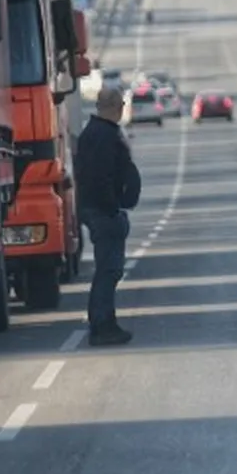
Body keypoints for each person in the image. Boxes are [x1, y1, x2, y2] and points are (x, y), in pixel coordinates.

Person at [74, 86, 142, 346]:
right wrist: (113, 208)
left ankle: (105, 323)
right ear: (116, 106)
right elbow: (100, 177)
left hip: (99, 210)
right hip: (103, 213)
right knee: (109, 270)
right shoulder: (103, 135)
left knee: (108, 270)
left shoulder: (96, 132)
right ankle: (102, 325)